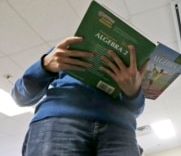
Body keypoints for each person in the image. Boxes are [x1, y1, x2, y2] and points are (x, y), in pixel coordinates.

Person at [11, 36, 149, 156]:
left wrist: (133, 92)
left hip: (120, 130)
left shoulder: (132, 73)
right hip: (61, 121)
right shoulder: (64, 54)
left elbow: (136, 110)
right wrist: (45, 66)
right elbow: (20, 97)